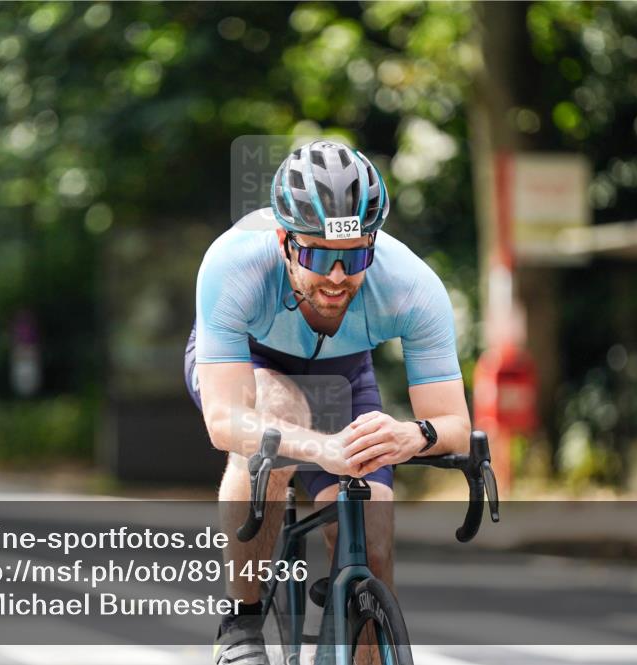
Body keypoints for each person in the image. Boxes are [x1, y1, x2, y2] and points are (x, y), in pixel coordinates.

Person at [184, 140, 471, 664]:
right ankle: (242, 624)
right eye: (318, 255)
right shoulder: (233, 263)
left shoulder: (410, 284)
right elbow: (224, 420)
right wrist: (321, 450)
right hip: (250, 363)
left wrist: (413, 435)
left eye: (355, 255)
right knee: (276, 421)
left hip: (344, 374)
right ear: (285, 242)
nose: (337, 277)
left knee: (374, 542)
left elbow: (452, 422)